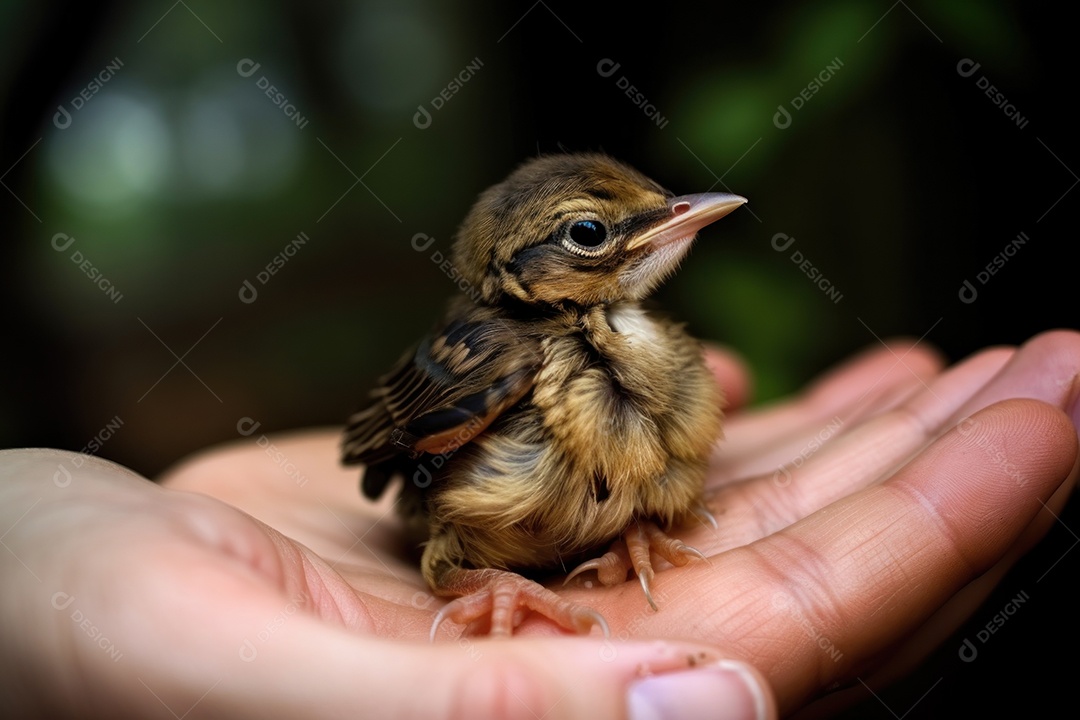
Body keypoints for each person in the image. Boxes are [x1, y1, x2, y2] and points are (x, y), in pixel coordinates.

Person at [2, 330, 1077, 719]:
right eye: (598, 236)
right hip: (466, 531)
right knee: (476, 546)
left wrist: (643, 526)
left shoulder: (666, 372)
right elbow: (397, 442)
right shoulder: (501, 363)